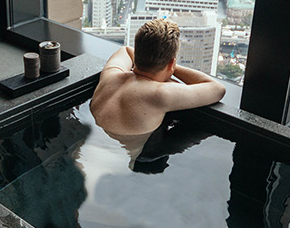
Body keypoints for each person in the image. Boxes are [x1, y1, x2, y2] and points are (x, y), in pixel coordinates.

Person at [90, 18, 226, 143]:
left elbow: (125, 50)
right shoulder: (161, 94)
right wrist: (171, 67)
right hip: (115, 166)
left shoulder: (110, 75)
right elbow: (218, 89)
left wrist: (151, 59)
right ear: (171, 63)